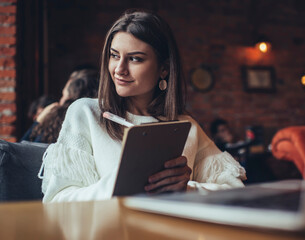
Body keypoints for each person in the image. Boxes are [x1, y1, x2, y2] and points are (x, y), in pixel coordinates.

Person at [39, 10, 246, 203]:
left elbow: (235, 193)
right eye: (114, 55)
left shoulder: (186, 126)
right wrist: (121, 183)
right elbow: (57, 201)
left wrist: (186, 190)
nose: (120, 69)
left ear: (163, 69)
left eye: (135, 59)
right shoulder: (85, 113)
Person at [22, 69, 99, 143]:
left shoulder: (55, 120)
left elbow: (21, 149)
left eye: (63, 95)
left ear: (70, 96)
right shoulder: (98, 115)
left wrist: (38, 121)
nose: (60, 100)